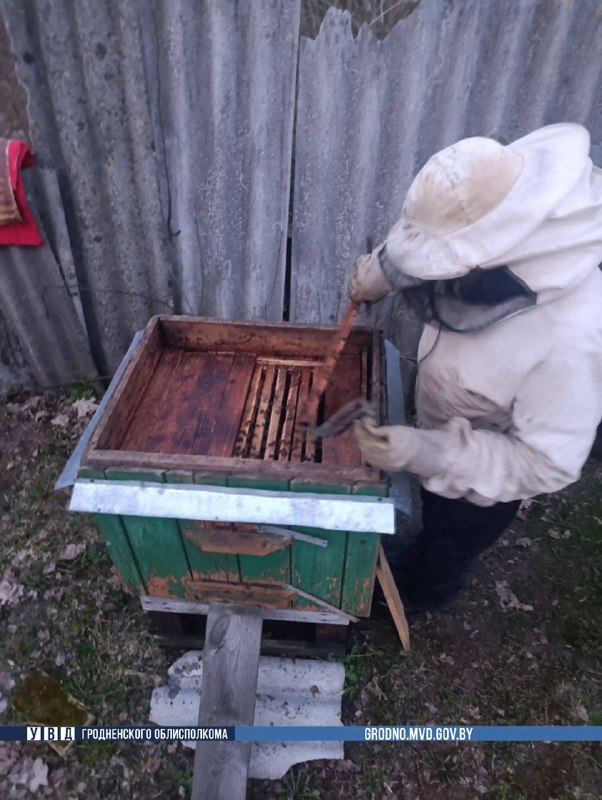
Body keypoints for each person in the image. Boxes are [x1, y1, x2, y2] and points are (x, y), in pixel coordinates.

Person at [348, 123, 602, 615]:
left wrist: (429, 451)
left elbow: (544, 462)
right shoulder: (494, 191)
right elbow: (441, 228)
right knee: (430, 510)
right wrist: (382, 271)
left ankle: (425, 596)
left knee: (451, 539)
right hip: (449, 409)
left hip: (482, 486)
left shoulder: (574, 339)